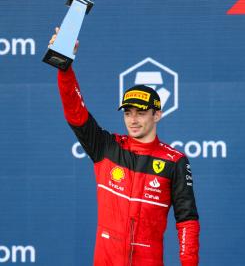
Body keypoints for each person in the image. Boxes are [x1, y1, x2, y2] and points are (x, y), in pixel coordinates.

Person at [49, 28, 200, 266]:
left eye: (141, 113)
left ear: (157, 115)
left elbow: (187, 220)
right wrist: (64, 67)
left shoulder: (175, 161)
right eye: (128, 113)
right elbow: (75, 112)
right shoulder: (106, 148)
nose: (133, 119)